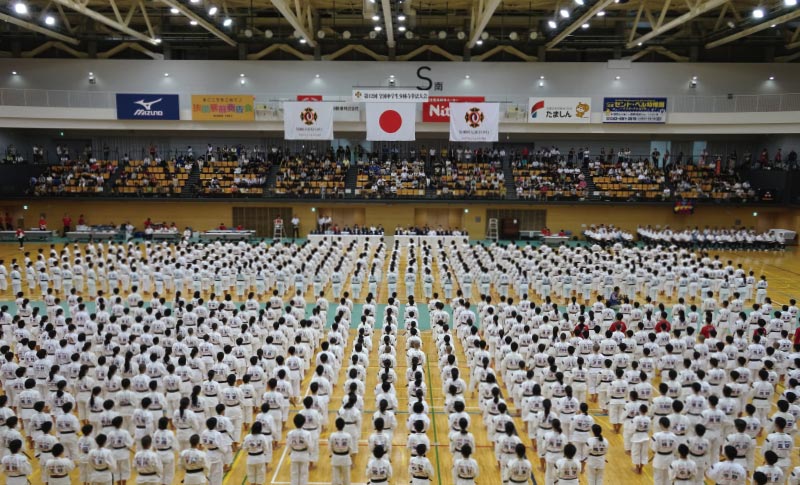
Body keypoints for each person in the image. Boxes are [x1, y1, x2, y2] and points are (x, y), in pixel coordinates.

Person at [287, 414, 311, 485]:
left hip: (294, 454)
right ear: (304, 422)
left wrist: (291, 451)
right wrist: (309, 452)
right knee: (304, 474)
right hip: (304, 454)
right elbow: (309, 445)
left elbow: (289, 444)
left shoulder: (290, 433)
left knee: (294, 473)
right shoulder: (307, 433)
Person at [329, 417, 354, 485]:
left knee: (335, 479)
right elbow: (351, 448)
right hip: (345, 457)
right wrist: (349, 455)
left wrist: (332, 454)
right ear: (344, 425)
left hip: (335, 457)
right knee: (347, 478)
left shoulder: (332, 435)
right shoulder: (348, 436)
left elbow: (330, 447)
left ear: (336, 425)